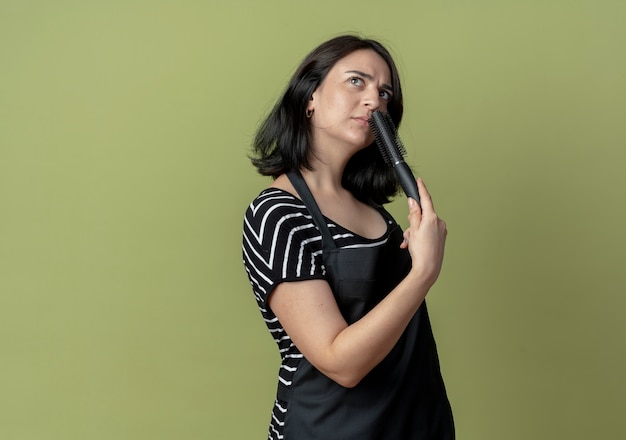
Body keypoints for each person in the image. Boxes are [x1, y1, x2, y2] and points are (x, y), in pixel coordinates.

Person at [242, 34, 454, 439]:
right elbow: (342, 363)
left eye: (384, 91)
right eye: (356, 81)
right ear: (310, 96)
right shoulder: (277, 213)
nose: (375, 101)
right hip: (329, 428)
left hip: (413, 422)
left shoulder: (373, 210)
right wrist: (423, 272)